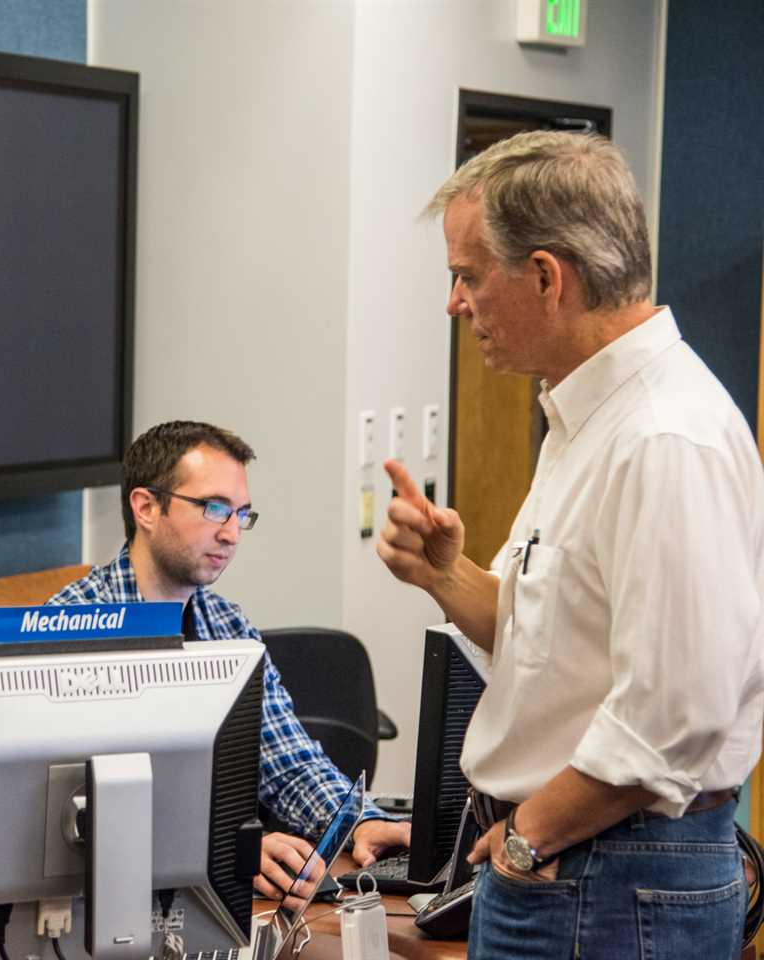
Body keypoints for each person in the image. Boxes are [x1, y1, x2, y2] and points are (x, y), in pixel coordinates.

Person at [376, 130, 764, 958]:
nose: (456, 303)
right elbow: (553, 644)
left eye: (468, 276)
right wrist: (448, 578)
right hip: (582, 866)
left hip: (606, 871)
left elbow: (674, 717)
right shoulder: (585, 419)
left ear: (548, 277)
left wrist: (525, 840)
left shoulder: (663, 436)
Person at [51, 420, 411, 906]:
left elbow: (287, 763)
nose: (232, 533)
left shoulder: (227, 625)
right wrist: (228, 848)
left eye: (242, 513)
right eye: (214, 508)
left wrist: (361, 820)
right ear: (145, 507)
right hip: (97, 903)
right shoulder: (72, 626)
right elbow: (79, 808)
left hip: (206, 906)